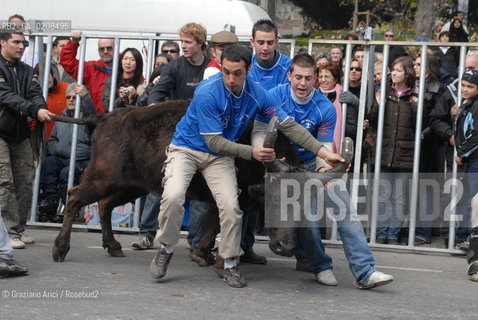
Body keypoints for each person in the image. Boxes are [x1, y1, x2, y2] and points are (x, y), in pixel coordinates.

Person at [149, 44, 344, 288]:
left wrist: (324, 152)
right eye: (226, 72)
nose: (231, 79)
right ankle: (165, 249)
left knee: (232, 207)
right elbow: (214, 141)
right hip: (188, 149)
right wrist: (253, 152)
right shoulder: (207, 92)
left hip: (218, 158)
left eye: (237, 73)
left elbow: (288, 125)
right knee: (173, 195)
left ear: (248, 70)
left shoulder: (259, 93)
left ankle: (230, 263)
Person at [256, 53, 394, 289]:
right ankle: (321, 266)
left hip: (312, 165)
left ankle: (365, 272)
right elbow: (260, 132)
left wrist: (326, 174)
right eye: (297, 77)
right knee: (307, 217)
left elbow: (325, 148)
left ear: (316, 79)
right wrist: (265, 158)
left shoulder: (325, 107)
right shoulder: (274, 97)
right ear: (289, 76)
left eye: (308, 78)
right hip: (282, 167)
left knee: (344, 207)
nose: (302, 83)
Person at [0, 29, 53, 249]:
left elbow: (35, 93)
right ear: (2, 42)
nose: (21, 47)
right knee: (5, 182)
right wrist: (34, 110)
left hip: (20, 134)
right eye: (16, 42)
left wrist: (40, 106)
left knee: (25, 181)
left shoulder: (28, 70)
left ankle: (18, 231)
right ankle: (6, 233)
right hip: (0, 133)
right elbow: (6, 96)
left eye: (24, 43)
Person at [366, 56, 418, 245]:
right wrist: (378, 103)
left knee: (399, 198)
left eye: (397, 70)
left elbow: (421, 124)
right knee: (383, 196)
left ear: (407, 73)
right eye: (392, 70)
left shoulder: (414, 96)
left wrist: (416, 106)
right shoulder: (384, 92)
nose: (393, 73)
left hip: (405, 153)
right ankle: (380, 233)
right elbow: (371, 119)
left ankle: (393, 234)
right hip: (384, 151)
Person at [429, 53, 478, 246]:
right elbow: (435, 119)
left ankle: (468, 236)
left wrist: (462, 150)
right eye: (466, 68)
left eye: (473, 68)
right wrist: (451, 135)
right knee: (459, 196)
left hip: (468, 157)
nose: (465, 87)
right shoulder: (452, 91)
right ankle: (459, 235)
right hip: (460, 157)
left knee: (473, 199)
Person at [37, 84, 95, 223]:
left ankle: (68, 208)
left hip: (82, 160)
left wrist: (85, 97)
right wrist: (57, 150)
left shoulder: (87, 118)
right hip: (61, 158)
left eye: (74, 98)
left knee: (66, 173)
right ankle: (50, 203)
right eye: (68, 97)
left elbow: (93, 116)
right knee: (48, 164)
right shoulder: (61, 117)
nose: (71, 100)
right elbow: (52, 140)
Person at [413, 54, 446, 245]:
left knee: (427, 188)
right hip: (415, 143)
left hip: (430, 146)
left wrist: (423, 134)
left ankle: (423, 231)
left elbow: (437, 119)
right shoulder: (415, 86)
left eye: (419, 64)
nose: (415, 67)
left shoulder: (438, 89)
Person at [148, 23, 210, 104]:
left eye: (188, 42)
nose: (183, 46)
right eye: (182, 41)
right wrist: (152, 106)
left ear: (200, 43)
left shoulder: (212, 67)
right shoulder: (173, 67)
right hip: (180, 114)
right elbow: (157, 91)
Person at [454, 70, 478, 282]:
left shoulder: (475, 105)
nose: (464, 89)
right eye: (463, 85)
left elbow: (477, 135)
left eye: (469, 86)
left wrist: (461, 153)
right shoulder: (466, 105)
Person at [60, 29, 114, 113]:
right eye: (102, 49)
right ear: (98, 52)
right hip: (98, 121)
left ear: (116, 48)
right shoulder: (92, 68)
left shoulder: (127, 67)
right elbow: (68, 62)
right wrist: (74, 42)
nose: (105, 51)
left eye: (109, 48)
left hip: (121, 122)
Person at [248, 19, 291, 90]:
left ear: (277, 42)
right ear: (252, 42)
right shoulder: (246, 67)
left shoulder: (289, 66)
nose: (265, 48)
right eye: (261, 43)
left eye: (270, 43)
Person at [316, 61, 343, 153]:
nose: (323, 80)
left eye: (326, 76)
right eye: (320, 77)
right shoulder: (313, 96)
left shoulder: (343, 97)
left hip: (335, 146)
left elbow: (351, 126)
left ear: (335, 79)